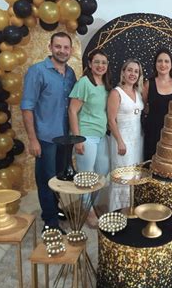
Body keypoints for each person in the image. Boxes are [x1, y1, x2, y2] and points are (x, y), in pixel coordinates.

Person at [21, 32, 76, 233]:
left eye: (66, 47)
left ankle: (55, 209)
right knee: (46, 180)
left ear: (71, 50)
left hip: (64, 138)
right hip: (45, 137)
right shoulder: (37, 71)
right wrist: (33, 139)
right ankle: (50, 222)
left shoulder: (70, 74)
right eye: (58, 46)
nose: (62, 51)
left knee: (60, 178)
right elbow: (27, 107)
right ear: (50, 47)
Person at [107, 59, 145, 210]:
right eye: (130, 70)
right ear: (123, 72)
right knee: (123, 175)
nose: (133, 74)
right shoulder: (116, 93)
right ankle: (118, 211)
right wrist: (120, 141)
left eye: (136, 71)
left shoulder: (138, 93)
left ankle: (131, 209)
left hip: (137, 140)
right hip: (121, 139)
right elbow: (111, 120)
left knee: (135, 174)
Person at [68, 48, 112, 176]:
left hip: (101, 136)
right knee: (86, 177)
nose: (100, 66)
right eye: (96, 62)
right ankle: (84, 197)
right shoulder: (84, 83)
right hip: (86, 136)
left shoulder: (106, 85)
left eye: (104, 63)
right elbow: (72, 110)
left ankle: (94, 198)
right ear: (90, 64)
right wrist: (78, 139)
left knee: (102, 174)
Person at [142, 48, 172, 161]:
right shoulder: (148, 84)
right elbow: (144, 108)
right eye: (159, 61)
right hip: (153, 132)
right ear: (155, 64)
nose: (163, 64)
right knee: (152, 165)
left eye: (166, 61)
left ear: (171, 64)